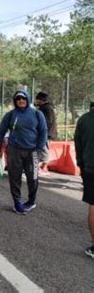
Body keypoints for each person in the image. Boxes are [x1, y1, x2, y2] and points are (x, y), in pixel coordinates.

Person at [0, 90, 48, 215]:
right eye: (18, 99)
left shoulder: (37, 113)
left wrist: (39, 149)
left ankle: (31, 201)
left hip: (33, 151)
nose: (21, 101)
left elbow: (43, 131)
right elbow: (1, 131)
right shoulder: (11, 115)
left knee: (33, 177)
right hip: (14, 150)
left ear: (28, 99)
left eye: (23, 98)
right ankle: (17, 202)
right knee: (14, 176)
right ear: (15, 101)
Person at [74, 102, 94, 259]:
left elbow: (78, 147)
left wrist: (81, 167)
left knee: (93, 206)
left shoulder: (84, 120)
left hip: (90, 168)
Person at [35, 91, 57, 172]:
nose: (35, 101)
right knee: (44, 148)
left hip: (47, 133)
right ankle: (43, 167)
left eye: (37, 99)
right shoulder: (47, 107)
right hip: (48, 133)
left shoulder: (45, 108)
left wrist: (41, 131)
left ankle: (43, 167)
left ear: (40, 100)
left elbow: (48, 121)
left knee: (44, 149)